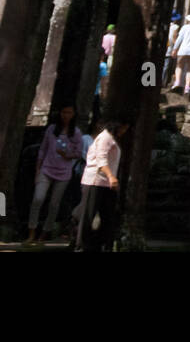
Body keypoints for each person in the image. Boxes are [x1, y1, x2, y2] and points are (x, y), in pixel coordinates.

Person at [26, 104, 83, 243]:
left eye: (69, 112)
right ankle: (31, 232)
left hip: (64, 172)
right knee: (38, 199)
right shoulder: (51, 129)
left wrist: (67, 154)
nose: (66, 115)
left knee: (54, 204)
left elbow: (78, 153)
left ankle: (45, 233)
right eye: (64, 112)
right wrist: (38, 169)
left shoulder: (76, 133)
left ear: (73, 114)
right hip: (46, 169)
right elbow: (42, 149)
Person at [77, 120, 129, 253]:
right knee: (88, 216)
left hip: (107, 184)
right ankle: (82, 245)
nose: (124, 131)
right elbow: (101, 159)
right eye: (123, 128)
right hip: (95, 181)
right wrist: (111, 176)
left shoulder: (112, 139)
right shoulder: (105, 138)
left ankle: (102, 244)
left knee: (108, 216)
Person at [162, 11, 182, 86]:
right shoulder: (175, 27)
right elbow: (174, 38)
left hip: (164, 48)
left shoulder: (165, 24)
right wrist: (176, 48)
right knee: (166, 66)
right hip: (169, 48)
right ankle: (163, 82)